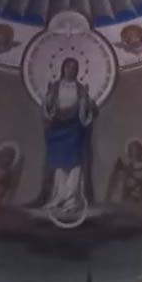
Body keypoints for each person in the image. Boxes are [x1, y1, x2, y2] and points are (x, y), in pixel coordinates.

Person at [37, 57, 96, 226]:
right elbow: (47, 105)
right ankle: (58, 199)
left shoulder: (80, 88)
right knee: (59, 164)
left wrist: (88, 107)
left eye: (74, 67)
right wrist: (48, 101)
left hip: (74, 127)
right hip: (57, 127)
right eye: (68, 67)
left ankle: (72, 201)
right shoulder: (55, 86)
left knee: (75, 163)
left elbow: (86, 108)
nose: (71, 70)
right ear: (63, 68)